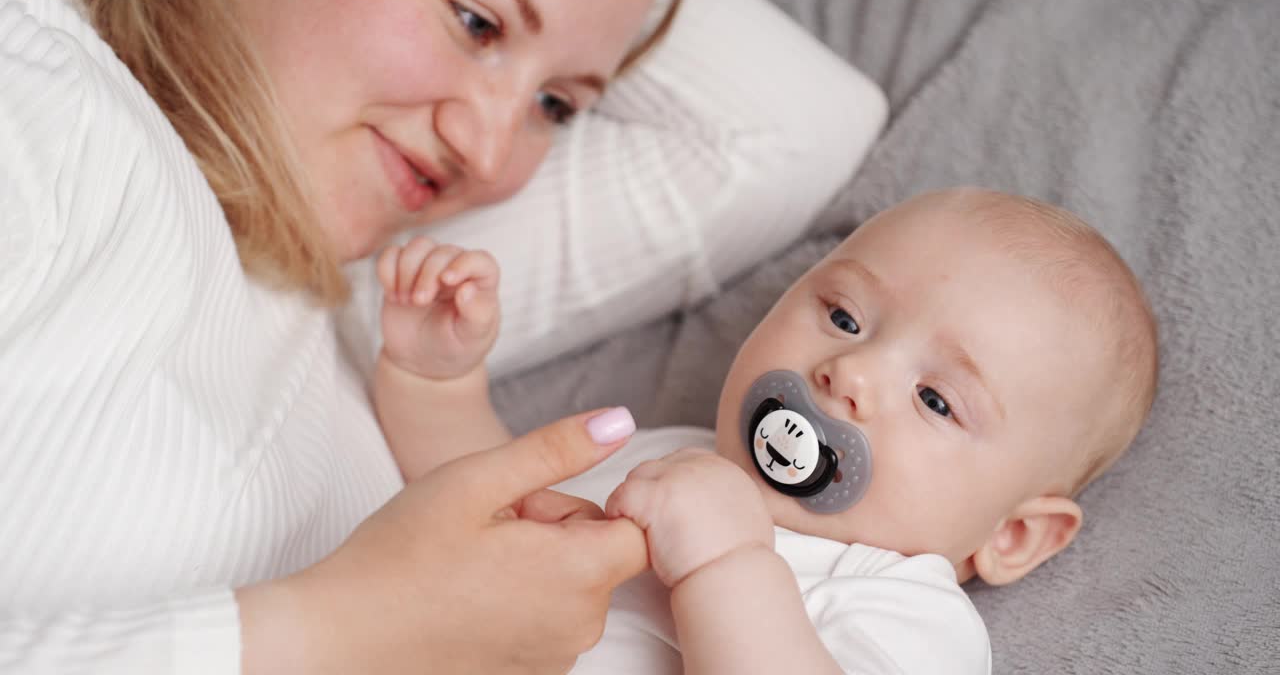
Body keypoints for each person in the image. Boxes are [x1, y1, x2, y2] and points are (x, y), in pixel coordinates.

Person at [0, 0, 887, 673]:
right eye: (475, 20)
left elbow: (798, 125)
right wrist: (354, 631)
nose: (491, 154)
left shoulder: (388, 306)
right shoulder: (35, 86)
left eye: (557, 106)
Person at [379, 188, 1159, 673]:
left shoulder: (903, 609)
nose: (850, 373)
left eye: (936, 400)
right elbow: (476, 498)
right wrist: (435, 379)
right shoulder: (668, 457)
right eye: (845, 317)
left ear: (1014, 536)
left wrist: (727, 564)